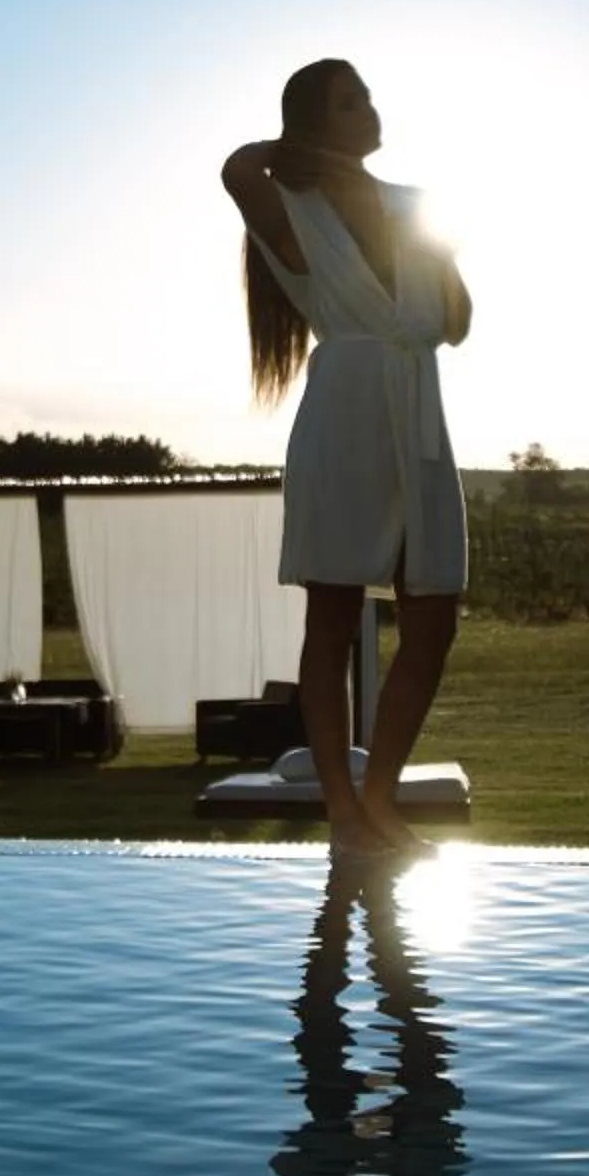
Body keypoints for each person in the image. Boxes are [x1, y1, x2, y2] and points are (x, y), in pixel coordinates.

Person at [222, 58, 472, 855]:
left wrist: (443, 257)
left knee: (433, 614)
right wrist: (302, 153)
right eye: (350, 100)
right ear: (316, 122)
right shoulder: (290, 201)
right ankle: (341, 804)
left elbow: (458, 322)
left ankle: (377, 794)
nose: (369, 108)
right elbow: (235, 167)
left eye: (367, 96)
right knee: (331, 617)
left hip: (416, 407)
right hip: (346, 407)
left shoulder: (413, 205)